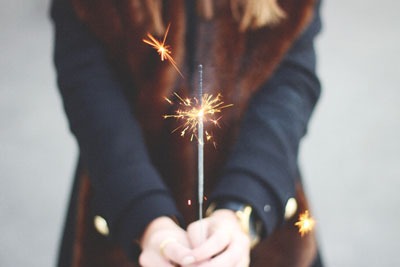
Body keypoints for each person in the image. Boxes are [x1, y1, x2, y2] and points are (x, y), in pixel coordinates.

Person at [51, 0, 323, 266]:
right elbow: (87, 84)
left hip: (261, 185)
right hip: (121, 186)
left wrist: (243, 208)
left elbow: (291, 83)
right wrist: (144, 217)